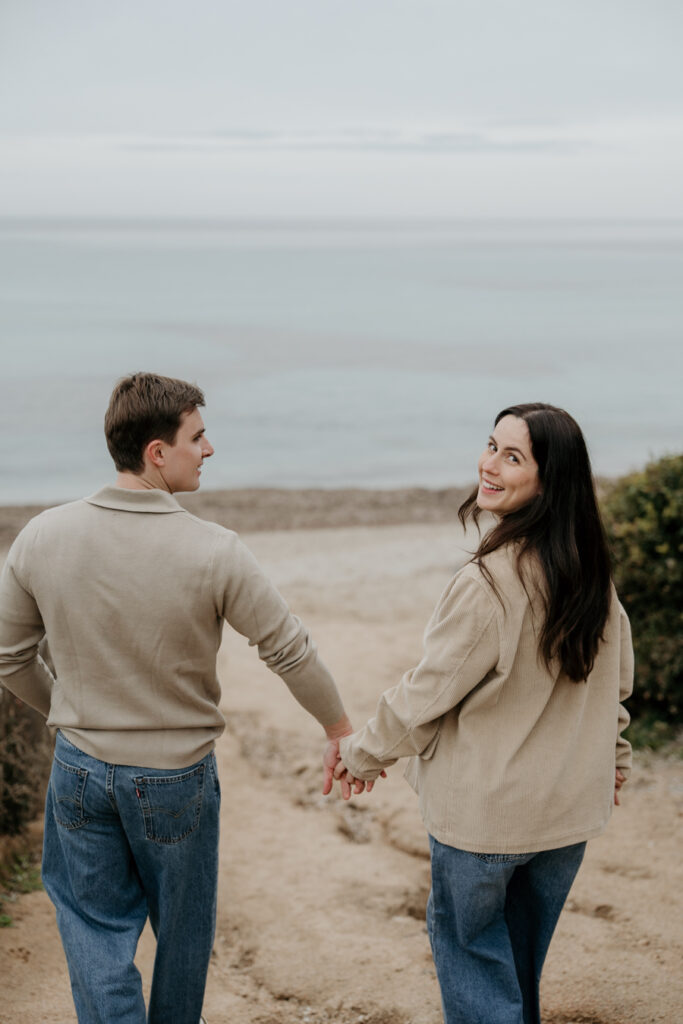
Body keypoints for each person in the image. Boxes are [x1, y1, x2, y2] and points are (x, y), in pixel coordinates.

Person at [0, 372, 355, 1024]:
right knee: (183, 940)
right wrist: (338, 729)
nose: (209, 448)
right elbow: (289, 648)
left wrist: (65, 713)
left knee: (95, 931)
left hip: (79, 769)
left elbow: (8, 658)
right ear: (156, 452)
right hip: (175, 781)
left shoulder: (43, 536)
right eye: (197, 436)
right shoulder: (215, 550)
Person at [325, 403, 633, 1024]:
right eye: (491, 445)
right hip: (566, 817)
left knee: (474, 967)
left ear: (550, 479)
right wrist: (615, 760)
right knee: (517, 971)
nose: (488, 464)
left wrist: (360, 753)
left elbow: (425, 694)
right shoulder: (590, 573)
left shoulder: (489, 582)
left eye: (512, 456)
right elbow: (615, 687)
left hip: (486, 822)